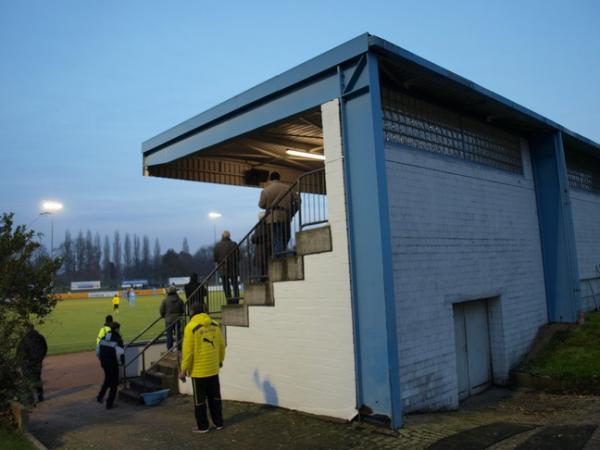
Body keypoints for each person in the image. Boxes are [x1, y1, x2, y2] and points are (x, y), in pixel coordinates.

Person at [179, 303, 226, 433]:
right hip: (213, 369)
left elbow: (188, 352)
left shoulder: (191, 328)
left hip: (199, 372)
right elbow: (222, 345)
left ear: (192, 312)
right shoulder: (215, 325)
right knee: (215, 397)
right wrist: (220, 360)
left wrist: (183, 370)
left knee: (200, 401)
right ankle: (219, 422)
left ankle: (203, 426)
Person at [258, 171, 296, 256]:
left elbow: (261, 205)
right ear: (279, 178)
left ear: (270, 179)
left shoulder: (265, 190)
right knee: (286, 236)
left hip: (271, 218)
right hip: (285, 216)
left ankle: (279, 257)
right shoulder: (288, 188)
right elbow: (298, 202)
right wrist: (292, 212)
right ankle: (281, 255)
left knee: (276, 238)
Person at [17, 324, 48, 403]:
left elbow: (20, 352)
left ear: (26, 330)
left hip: (27, 363)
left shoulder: (25, 339)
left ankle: (30, 399)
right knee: (37, 377)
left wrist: (20, 362)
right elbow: (45, 349)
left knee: (27, 379)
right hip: (37, 362)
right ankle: (40, 396)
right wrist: (40, 358)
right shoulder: (40, 337)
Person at [96, 322, 124, 409]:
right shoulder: (117, 339)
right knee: (114, 383)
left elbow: (98, 351)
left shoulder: (104, 337)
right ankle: (109, 403)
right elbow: (120, 353)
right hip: (112, 363)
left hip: (104, 362)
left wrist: (101, 359)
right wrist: (121, 362)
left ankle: (100, 396)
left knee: (107, 379)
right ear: (116, 329)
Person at [213, 231, 240, 304]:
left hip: (222, 269)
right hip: (233, 268)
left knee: (226, 286)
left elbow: (215, 258)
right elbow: (238, 257)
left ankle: (229, 300)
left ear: (222, 236)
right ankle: (236, 299)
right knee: (235, 285)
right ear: (229, 236)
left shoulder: (217, 246)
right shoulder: (234, 244)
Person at [159, 286, 185, 350]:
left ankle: (170, 349)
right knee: (178, 334)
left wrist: (163, 316)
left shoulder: (165, 300)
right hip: (178, 319)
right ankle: (179, 348)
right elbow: (183, 309)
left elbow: (162, 310)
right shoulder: (180, 300)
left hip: (168, 320)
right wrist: (180, 314)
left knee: (169, 335)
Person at [250, 212, 270, 281]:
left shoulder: (260, 226)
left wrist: (252, 237)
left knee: (262, 272)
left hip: (261, 252)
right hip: (266, 250)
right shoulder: (269, 225)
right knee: (265, 271)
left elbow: (254, 238)